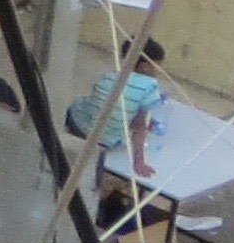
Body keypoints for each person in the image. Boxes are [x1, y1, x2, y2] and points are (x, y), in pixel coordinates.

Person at [69, 36, 169, 187]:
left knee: (80, 104)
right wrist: (139, 161)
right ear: (145, 66)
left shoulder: (109, 76)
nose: (159, 72)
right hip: (105, 140)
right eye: (157, 66)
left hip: (77, 125)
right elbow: (139, 127)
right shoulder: (150, 86)